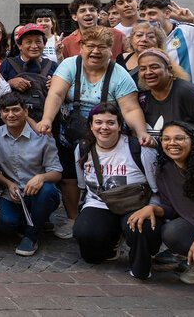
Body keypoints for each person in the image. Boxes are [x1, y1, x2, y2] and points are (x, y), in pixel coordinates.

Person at [38, 25, 151, 240]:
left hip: (106, 132)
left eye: (102, 47)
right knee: (69, 175)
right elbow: (56, 93)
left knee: (109, 173)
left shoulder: (120, 74)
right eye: (90, 46)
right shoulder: (70, 65)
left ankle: (112, 210)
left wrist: (141, 131)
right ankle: (73, 218)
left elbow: (130, 108)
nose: (96, 51)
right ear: (81, 47)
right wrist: (46, 119)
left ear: (111, 50)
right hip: (71, 129)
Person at [73, 103, 161, 280]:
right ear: (91, 125)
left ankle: (140, 265)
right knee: (88, 243)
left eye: (110, 123)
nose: (104, 127)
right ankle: (112, 241)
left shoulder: (139, 149)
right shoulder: (82, 149)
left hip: (135, 203)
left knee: (142, 228)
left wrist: (152, 210)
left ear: (120, 126)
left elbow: (156, 189)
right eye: (98, 122)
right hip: (100, 203)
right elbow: (83, 186)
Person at [0, 93, 62, 256]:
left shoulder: (42, 137)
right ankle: (34, 221)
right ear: (0, 114)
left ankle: (31, 236)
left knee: (48, 191)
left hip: (38, 193)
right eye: (6, 111)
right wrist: (8, 183)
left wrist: (41, 177)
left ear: (26, 112)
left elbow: (57, 172)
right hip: (12, 195)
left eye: (16, 110)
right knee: (5, 225)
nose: (11, 115)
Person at [150, 122, 194, 284]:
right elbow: (172, 210)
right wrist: (153, 209)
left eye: (179, 138)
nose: (172, 143)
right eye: (166, 139)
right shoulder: (165, 170)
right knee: (172, 231)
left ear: (193, 141)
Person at [139, 0, 194, 87]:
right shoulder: (143, 40)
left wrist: (193, 19)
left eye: (152, 14)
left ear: (167, 14)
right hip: (163, 97)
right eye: (142, 15)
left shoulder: (188, 31)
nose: (146, 19)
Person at [137, 48, 194, 136]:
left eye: (154, 67)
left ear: (169, 70)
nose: (148, 72)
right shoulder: (142, 97)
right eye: (143, 69)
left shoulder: (188, 92)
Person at [0, 23, 56, 123]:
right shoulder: (7, 64)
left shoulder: (53, 66)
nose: (34, 46)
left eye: (38, 41)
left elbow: (63, 95)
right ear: (20, 45)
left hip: (45, 125)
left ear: (44, 44)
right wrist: (9, 83)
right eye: (28, 42)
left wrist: (56, 85)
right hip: (13, 124)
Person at [61, 0, 126, 59]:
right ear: (74, 17)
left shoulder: (117, 36)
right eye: (82, 11)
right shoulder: (67, 43)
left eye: (92, 10)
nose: (88, 13)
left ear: (98, 14)